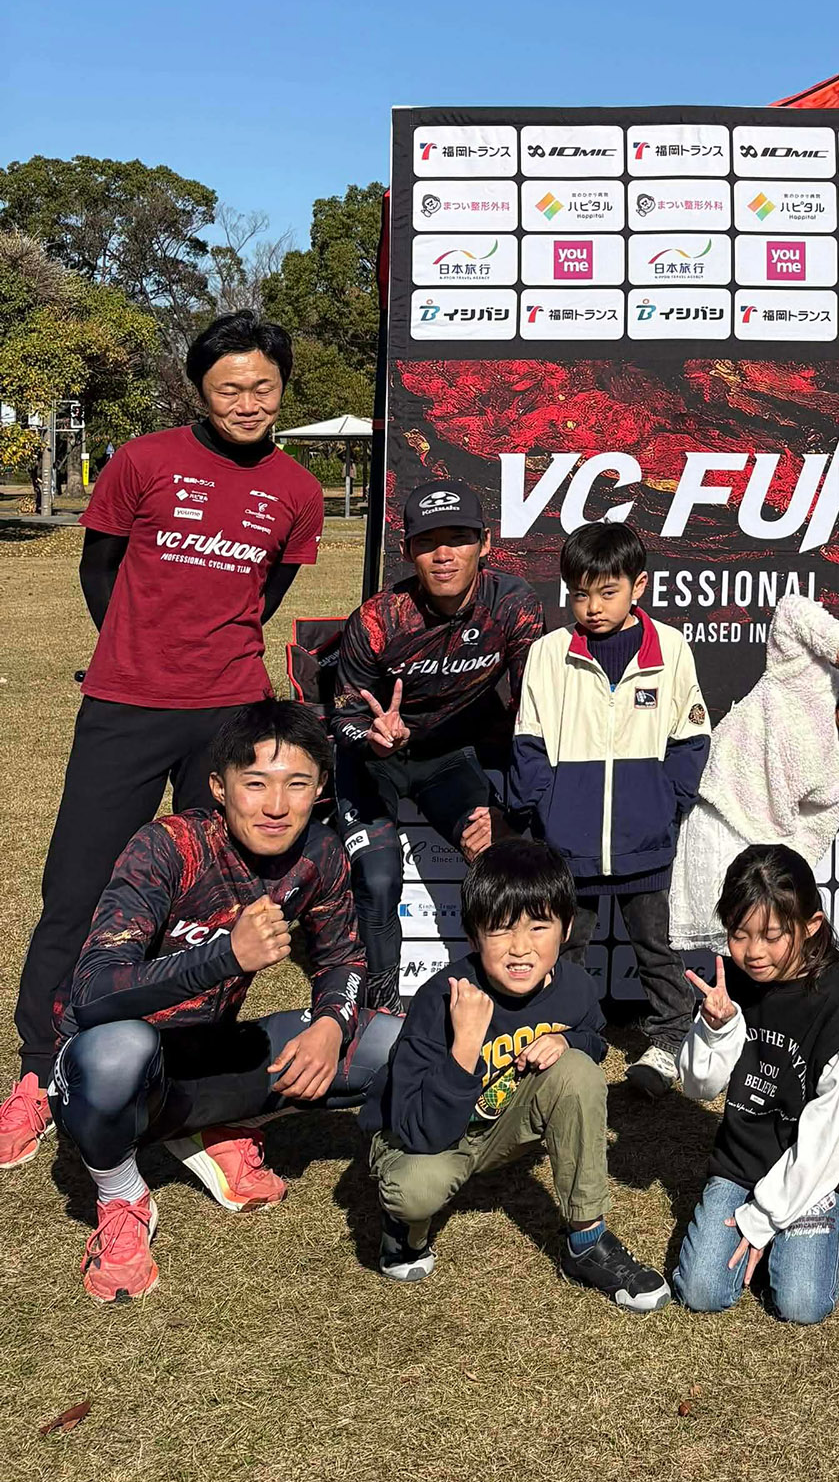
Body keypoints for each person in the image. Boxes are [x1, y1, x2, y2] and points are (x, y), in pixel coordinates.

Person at [2, 312, 325, 1172]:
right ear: (200, 390)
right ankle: (39, 1069)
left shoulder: (297, 489)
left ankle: (183, 1083)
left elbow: (265, 593)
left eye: (263, 387)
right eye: (229, 388)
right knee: (78, 887)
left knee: (210, 907)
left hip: (229, 715)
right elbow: (98, 568)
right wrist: (136, 653)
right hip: (127, 705)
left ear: (282, 387)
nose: (247, 403)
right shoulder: (142, 461)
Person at [47, 700, 395, 1305]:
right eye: (255, 783)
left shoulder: (319, 853)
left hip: (206, 1055)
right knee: (118, 1050)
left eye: (297, 784)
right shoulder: (167, 847)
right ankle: (122, 1194)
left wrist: (332, 1024)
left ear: (320, 790)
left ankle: (206, 1129)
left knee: (389, 1042)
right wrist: (225, 956)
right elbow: (94, 992)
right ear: (218, 786)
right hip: (111, 1066)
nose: (275, 805)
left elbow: (343, 958)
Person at [364, 835, 668, 1310]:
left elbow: (594, 1039)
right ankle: (403, 1231)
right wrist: (465, 1046)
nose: (520, 948)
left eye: (539, 926)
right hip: (427, 1136)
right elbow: (418, 1130)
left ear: (566, 928)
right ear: (472, 937)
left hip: (501, 1125)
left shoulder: (576, 986)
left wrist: (568, 1042)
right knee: (413, 1189)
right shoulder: (439, 999)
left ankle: (587, 1242)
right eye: (501, 930)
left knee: (578, 1071)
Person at [328, 478, 546, 1013]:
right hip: (372, 761)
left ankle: (505, 991)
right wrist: (372, 737)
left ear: (485, 543)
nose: (443, 555)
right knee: (379, 877)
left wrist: (508, 810)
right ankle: (380, 1008)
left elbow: (536, 709)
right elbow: (344, 715)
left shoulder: (512, 604)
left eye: (458, 539)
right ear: (407, 552)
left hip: (446, 758)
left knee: (495, 856)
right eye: (427, 542)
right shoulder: (379, 618)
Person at [508, 521, 710, 1097]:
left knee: (656, 947)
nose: (592, 607)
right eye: (580, 593)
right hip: (566, 845)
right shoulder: (549, 653)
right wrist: (544, 813)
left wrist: (665, 804)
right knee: (566, 948)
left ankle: (669, 1041)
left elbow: (691, 737)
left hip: (646, 841)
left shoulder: (671, 648)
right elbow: (528, 742)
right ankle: (568, 1037)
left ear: (638, 586)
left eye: (607, 592)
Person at [672, 845, 839, 1326]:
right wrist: (715, 1029)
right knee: (700, 1291)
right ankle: (772, 1240)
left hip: (814, 1169)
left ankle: (790, 1232)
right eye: (739, 935)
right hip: (742, 1162)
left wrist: (761, 1220)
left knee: (802, 1304)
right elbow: (699, 1087)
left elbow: (827, 1138)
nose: (753, 952)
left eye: (772, 935)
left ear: (811, 925)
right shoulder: (733, 982)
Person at [667, 591, 839, 955]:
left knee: (750, 954)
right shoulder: (808, 675)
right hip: (713, 817)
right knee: (687, 945)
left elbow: (810, 839)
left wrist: (777, 884)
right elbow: (790, 611)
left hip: (758, 861)